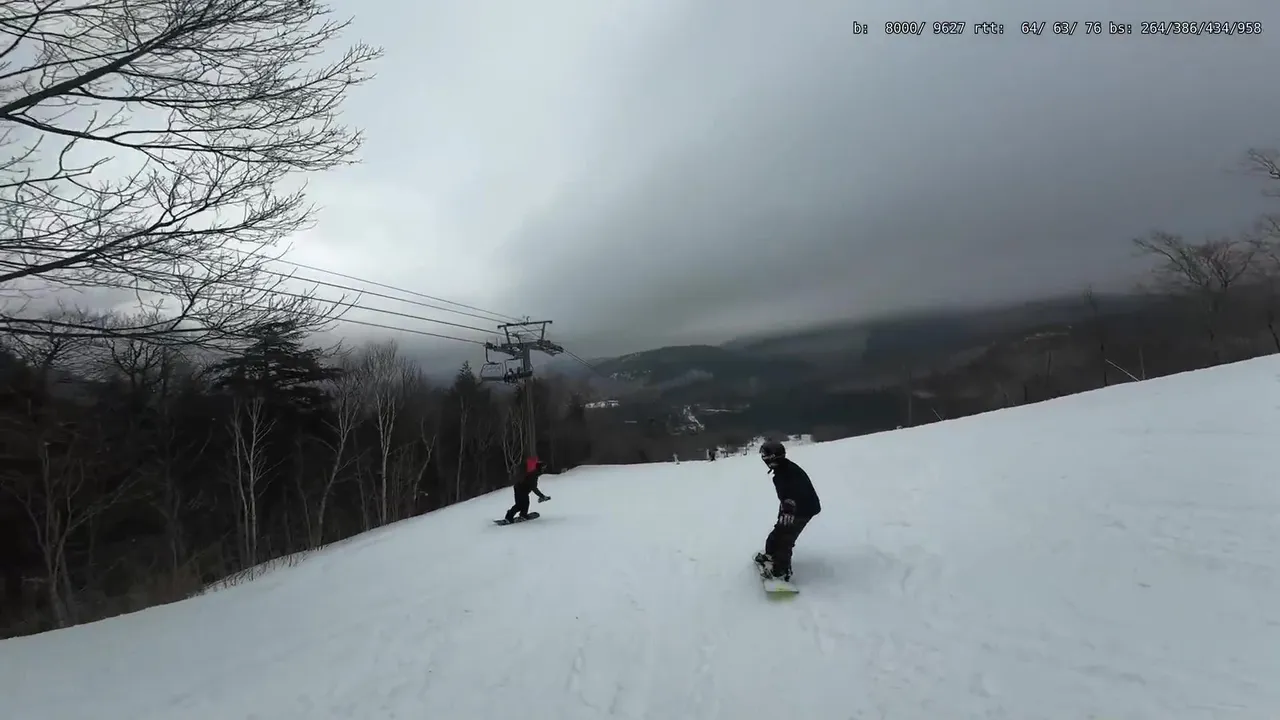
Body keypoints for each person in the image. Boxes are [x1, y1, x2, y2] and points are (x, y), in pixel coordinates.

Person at [754, 440, 820, 581]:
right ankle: (771, 555)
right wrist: (785, 507)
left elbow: (799, 490)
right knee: (779, 531)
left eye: (765, 455)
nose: (763, 458)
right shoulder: (781, 469)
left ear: (773, 457)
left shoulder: (789, 472)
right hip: (791, 508)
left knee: (786, 538)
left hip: (804, 509)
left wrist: (790, 508)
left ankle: (782, 571)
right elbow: (786, 493)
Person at [504, 456, 550, 522]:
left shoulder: (533, 472)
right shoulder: (534, 474)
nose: (544, 469)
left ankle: (510, 517)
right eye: (543, 467)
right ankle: (522, 515)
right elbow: (534, 488)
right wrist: (542, 496)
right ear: (540, 467)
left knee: (520, 504)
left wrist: (541, 496)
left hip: (519, 488)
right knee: (524, 503)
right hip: (521, 489)